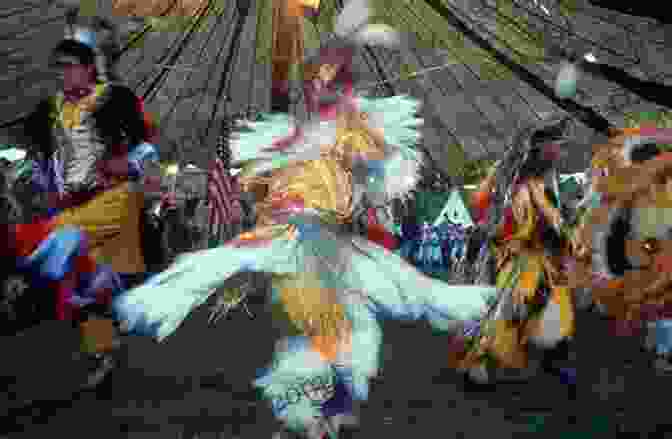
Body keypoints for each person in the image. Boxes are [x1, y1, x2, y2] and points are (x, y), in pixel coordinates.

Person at [112, 12, 497, 438]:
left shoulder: (354, 135)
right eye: (315, 83)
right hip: (294, 247)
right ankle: (308, 420)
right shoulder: (288, 139)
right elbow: (263, 190)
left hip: (336, 249)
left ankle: (320, 417)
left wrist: (359, 174)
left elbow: (384, 177)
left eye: (332, 84)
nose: (321, 91)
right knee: (320, 332)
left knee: (349, 335)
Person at [7, 14, 161, 386]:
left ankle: (21, 281)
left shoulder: (116, 99)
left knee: (59, 237)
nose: (63, 73)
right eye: (59, 67)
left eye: (71, 66)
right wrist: (40, 178)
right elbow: (38, 156)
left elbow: (147, 147)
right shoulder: (48, 110)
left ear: (90, 68)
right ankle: (103, 358)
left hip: (113, 202)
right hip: (76, 206)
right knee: (88, 284)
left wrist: (129, 163)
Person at [448, 118, 582, 386]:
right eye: (555, 147)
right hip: (508, 257)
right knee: (506, 305)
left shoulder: (541, 183)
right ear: (539, 150)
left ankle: (555, 356)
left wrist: (561, 236)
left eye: (559, 146)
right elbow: (489, 215)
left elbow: (553, 223)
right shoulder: (510, 183)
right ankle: (477, 360)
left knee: (558, 301)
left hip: (537, 257)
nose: (559, 153)